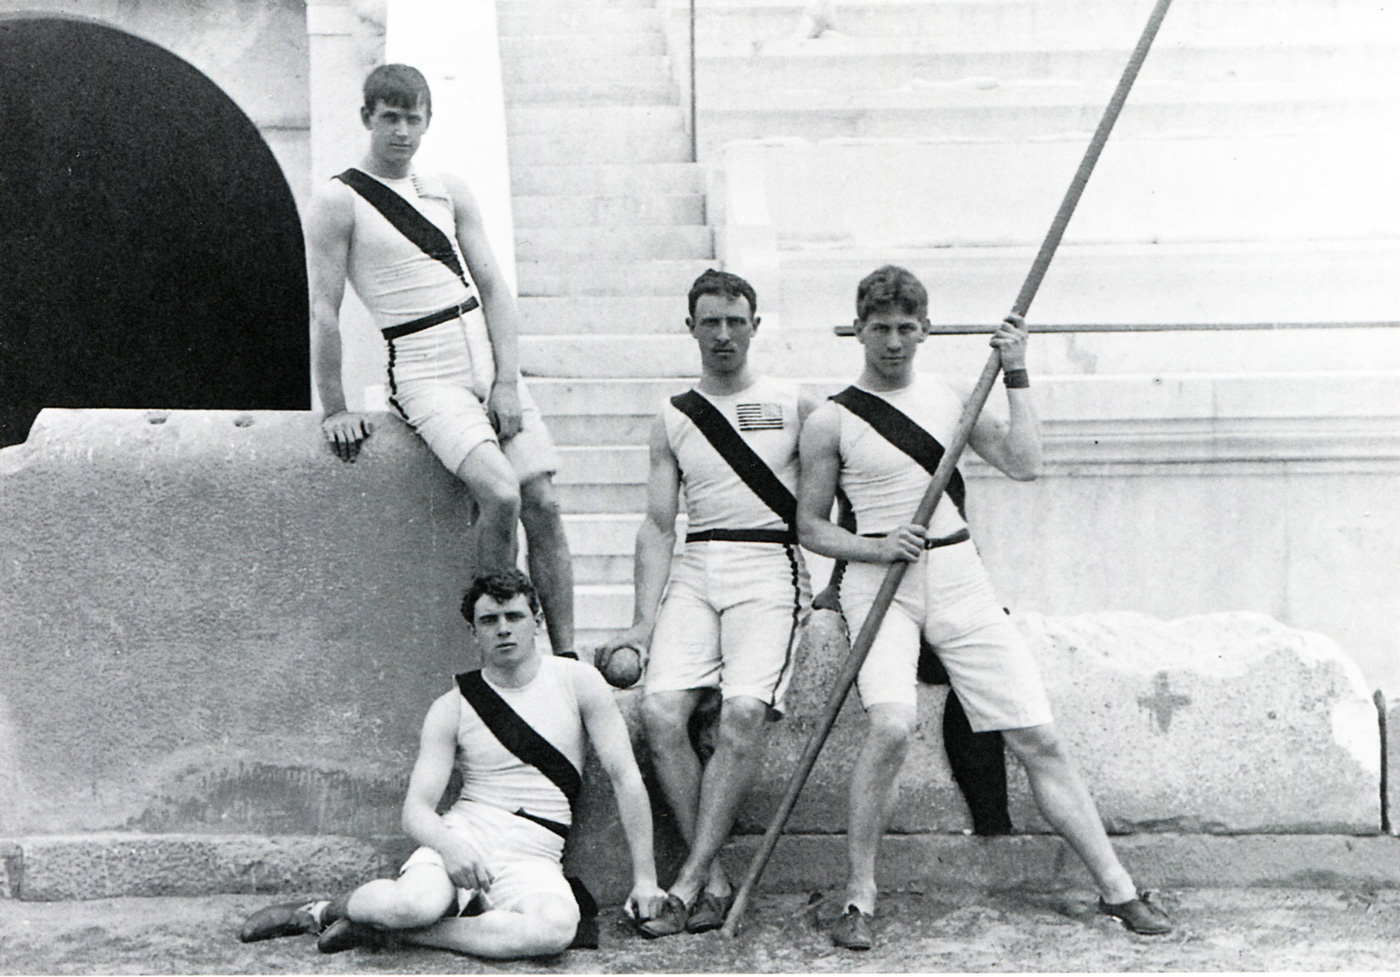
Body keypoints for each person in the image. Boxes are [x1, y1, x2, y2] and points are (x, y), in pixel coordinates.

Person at [796, 266, 1172, 950]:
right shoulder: (833, 418)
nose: (892, 343)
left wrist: (1017, 371)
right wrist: (877, 546)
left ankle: (1118, 887)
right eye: (879, 328)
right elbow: (812, 528)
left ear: (926, 330)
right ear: (857, 329)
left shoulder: (951, 397)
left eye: (906, 329)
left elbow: (1025, 462)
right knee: (890, 726)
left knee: (1038, 736)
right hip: (879, 582)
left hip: (959, 572)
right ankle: (859, 895)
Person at [239, 569, 668, 959]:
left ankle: (392, 935)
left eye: (514, 617)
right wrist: (451, 847)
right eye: (488, 621)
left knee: (555, 930)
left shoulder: (578, 683)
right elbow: (417, 810)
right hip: (467, 833)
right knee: (410, 904)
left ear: (536, 621)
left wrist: (645, 879)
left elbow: (625, 777)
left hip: (535, 851)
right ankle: (319, 911)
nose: (503, 629)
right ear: (473, 632)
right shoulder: (453, 707)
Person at [307, 63, 576, 657]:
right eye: (390, 118)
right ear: (366, 119)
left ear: (428, 120)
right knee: (500, 494)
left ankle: (566, 656)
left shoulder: (447, 186)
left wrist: (507, 379)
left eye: (413, 118)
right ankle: (499, 644)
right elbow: (324, 310)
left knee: (545, 503)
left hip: (483, 351)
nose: (402, 131)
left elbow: (493, 287)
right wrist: (334, 408)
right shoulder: (338, 198)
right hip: (423, 367)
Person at [597, 269, 815, 936]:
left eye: (735, 320)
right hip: (700, 562)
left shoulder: (796, 403)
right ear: (689, 326)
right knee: (662, 712)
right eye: (710, 321)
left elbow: (838, 494)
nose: (723, 333)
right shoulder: (673, 416)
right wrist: (643, 617)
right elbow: (660, 525)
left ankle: (687, 880)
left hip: (770, 562)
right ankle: (714, 880)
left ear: (755, 324)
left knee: (744, 713)